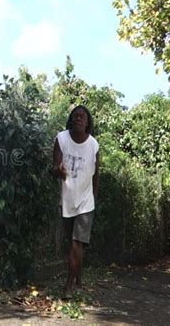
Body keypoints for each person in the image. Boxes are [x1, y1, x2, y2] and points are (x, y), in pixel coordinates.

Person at [52, 105, 100, 299]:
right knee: (72, 245)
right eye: (75, 116)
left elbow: (97, 173)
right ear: (71, 120)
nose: (78, 119)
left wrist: (94, 196)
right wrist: (59, 171)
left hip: (86, 201)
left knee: (76, 243)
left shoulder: (93, 145)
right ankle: (78, 279)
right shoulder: (61, 139)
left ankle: (68, 287)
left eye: (82, 117)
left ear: (88, 122)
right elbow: (54, 168)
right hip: (67, 199)